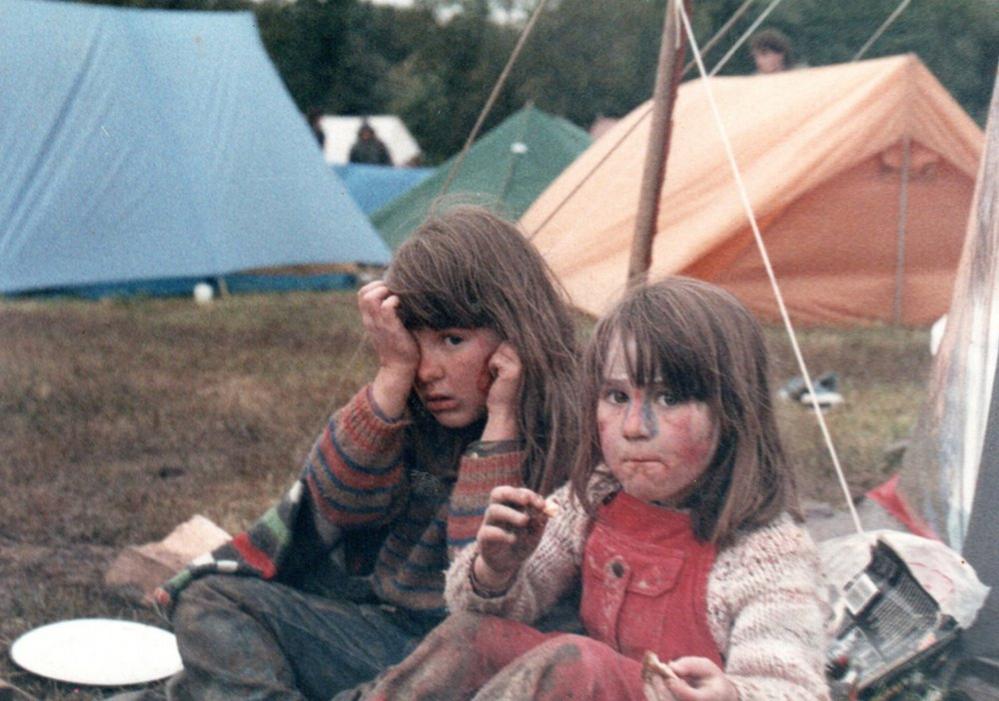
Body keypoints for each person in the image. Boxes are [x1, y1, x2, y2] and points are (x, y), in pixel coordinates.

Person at [147, 206, 580, 700]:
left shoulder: (566, 432)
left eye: (453, 340)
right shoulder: (415, 408)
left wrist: (500, 428)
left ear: (516, 335)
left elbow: (478, 600)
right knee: (210, 599)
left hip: (470, 659)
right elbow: (335, 505)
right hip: (377, 634)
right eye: (414, 344)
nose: (428, 369)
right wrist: (392, 374)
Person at [343, 277, 830, 701]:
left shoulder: (767, 551)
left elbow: (795, 689)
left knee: (576, 661)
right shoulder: (594, 500)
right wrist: (497, 567)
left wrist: (735, 694)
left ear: (734, 413)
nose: (634, 427)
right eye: (617, 397)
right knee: (475, 635)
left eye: (669, 397)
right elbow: (506, 606)